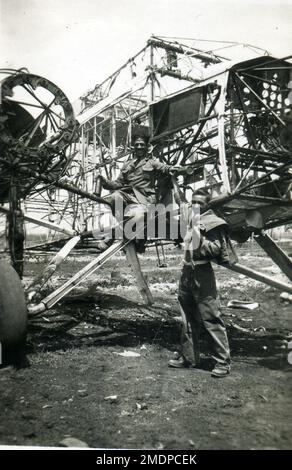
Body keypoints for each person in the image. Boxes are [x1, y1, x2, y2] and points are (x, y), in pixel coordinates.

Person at [168, 188, 237, 377]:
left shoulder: (214, 222)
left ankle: (223, 362)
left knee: (211, 317)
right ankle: (189, 357)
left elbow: (215, 249)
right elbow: (181, 201)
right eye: (194, 202)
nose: (196, 205)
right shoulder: (191, 217)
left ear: (208, 205)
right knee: (187, 318)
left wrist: (198, 237)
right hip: (186, 272)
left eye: (201, 203)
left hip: (202, 273)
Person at [98, 131, 187, 241]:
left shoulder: (151, 162)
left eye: (142, 144)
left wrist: (173, 168)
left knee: (138, 215)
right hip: (129, 197)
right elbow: (118, 184)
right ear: (133, 147)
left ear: (146, 147)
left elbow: (164, 167)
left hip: (145, 200)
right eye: (137, 145)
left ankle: (131, 233)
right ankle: (125, 225)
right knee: (114, 197)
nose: (139, 147)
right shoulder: (127, 165)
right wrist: (105, 182)